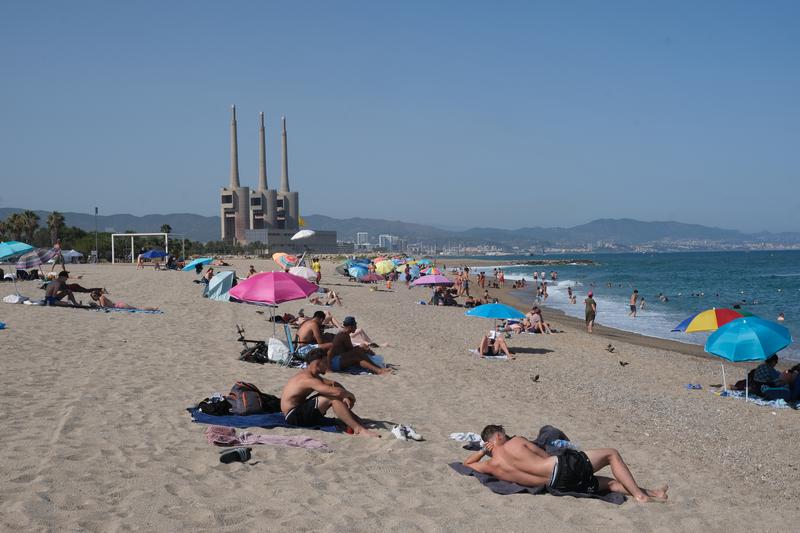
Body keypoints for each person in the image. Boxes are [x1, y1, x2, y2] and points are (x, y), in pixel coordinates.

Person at [464, 425, 668, 503]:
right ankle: (640, 496)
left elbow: (467, 463)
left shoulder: (491, 466)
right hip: (560, 467)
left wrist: (483, 451)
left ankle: (653, 493)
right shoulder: (516, 441)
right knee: (612, 455)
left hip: (558, 485)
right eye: (504, 433)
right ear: (499, 435)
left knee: (610, 484)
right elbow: (543, 455)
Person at [280, 348, 380, 437]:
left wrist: (345, 396)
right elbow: (336, 393)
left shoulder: (312, 375)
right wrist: (350, 395)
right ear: (318, 363)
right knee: (332, 397)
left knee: (333, 394)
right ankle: (358, 430)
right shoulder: (308, 379)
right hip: (294, 417)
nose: (328, 366)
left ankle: (356, 420)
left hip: (298, 411)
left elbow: (333, 383)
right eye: (326, 362)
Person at [89, 290, 159, 311]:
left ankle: (153, 308)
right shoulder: (101, 298)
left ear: (97, 294)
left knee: (139, 309)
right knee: (138, 308)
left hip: (119, 306)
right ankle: (153, 308)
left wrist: (95, 305)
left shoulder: (101, 297)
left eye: (94, 296)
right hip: (119, 305)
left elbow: (104, 308)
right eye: (93, 297)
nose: (94, 298)